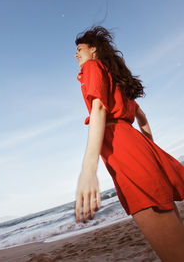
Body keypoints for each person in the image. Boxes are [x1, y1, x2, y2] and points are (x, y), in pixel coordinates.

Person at [74, 26, 184, 262]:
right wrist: (148, 148)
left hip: (125, 152)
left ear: (94, 50)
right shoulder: (116, 81)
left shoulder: (92, 67)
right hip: (138, 147)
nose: (76, 55)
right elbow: (142, 117)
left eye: (80, 49)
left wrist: (88, 169)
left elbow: (99, 108)